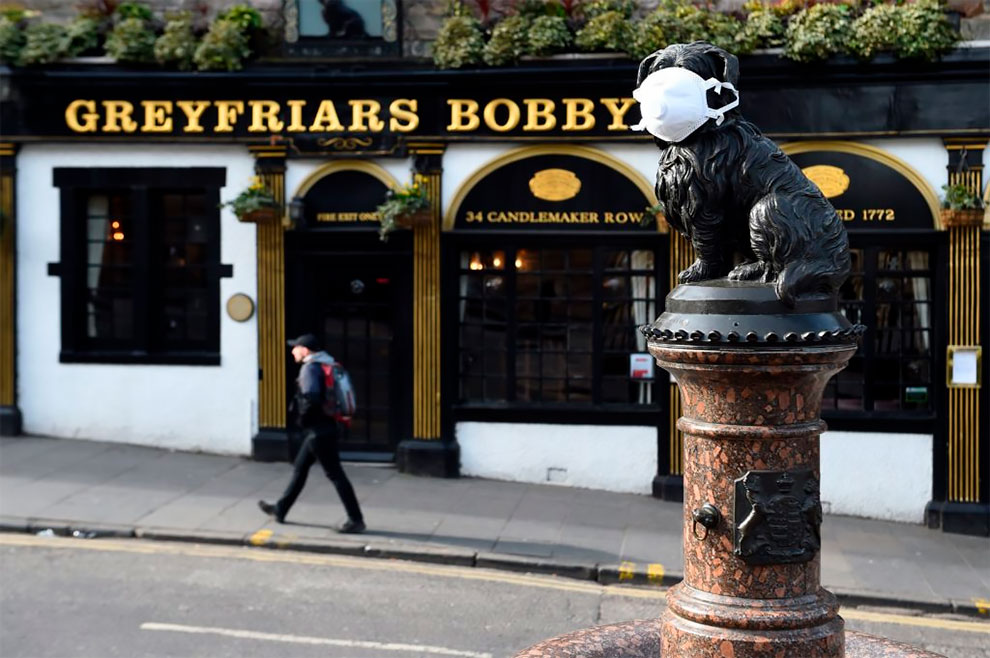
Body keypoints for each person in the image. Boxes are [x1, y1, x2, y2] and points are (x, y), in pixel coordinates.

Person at [258, 333, 365, 534]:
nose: (292, 351)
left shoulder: (310, 368)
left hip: (319, 431)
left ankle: (356, 519)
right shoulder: (327, 364)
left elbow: (311, 398)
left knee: (336, 475)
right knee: (300, 468)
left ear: (305, 350)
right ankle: (280, 509)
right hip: (324, 428)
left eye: (295, 348)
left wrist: (302, 419)